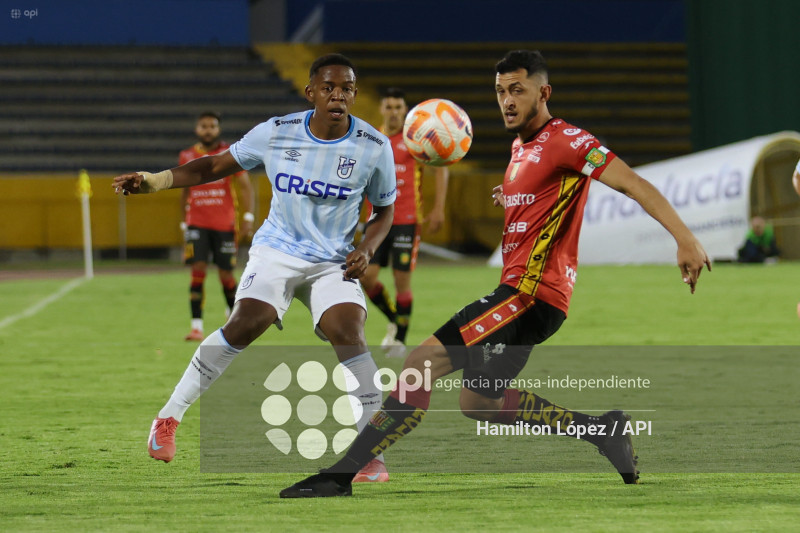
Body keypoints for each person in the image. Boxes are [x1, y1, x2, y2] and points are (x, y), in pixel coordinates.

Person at [280, 49, 711, 498]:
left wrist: (685, 239)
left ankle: (343, 474)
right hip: (528, 298)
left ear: (543, 92)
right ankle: (603, 431)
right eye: (501, 91)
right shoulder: (519, 147)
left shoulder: (569, 140)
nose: (507, 100)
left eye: (517, 90)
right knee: (479, 402)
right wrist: (509, 195)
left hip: (527, 295)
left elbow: (633, 183)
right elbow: (542, 193)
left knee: (420, 364)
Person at [113, 54, 397, 483]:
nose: (337, 94)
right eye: (328, 87)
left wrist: (368, 249)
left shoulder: (374, 146)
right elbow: (213, 166)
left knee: (350, 331)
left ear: (355, 95)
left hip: (331, 260)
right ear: (311, 92)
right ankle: (168, 419)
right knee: (248, 322)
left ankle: (370, 452)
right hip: (277, 251)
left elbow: (385, 211)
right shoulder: (277, 132)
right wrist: (156, 181)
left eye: (347, 88)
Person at [361, 88, 449, 356]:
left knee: (402, 282)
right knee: (366, 277)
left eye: (399, 107)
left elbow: (441, 167)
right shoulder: (371, 140)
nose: (394, 112)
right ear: (382, 110)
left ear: (405, 110)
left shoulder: (416, 139)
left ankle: (399, 340)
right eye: (389, 107)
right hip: (376, 219)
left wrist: (438, 208)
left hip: (406, 220)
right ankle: (393, 318)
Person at [179, 111, 254, 341]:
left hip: (224, 224)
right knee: (197, 271)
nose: (208, 130)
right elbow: (183, 187)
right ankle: (196, 327)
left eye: (212, 126)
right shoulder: (187, 156)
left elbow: (245, 187)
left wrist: (248, 218)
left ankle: (233, 321)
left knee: (226, 275)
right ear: (197, 129)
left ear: (218, 129)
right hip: (197, 223)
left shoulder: (230, 154)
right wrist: (184, 220)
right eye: (204, 126)